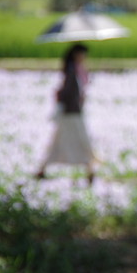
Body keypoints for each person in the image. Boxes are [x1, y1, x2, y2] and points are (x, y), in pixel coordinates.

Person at [36, 43, 96, 184]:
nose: (85, 57)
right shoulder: (71, 70)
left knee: (61, 141)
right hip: (71, 112)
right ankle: (90, 171)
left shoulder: (77, 69)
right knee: (80, 140)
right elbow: (67, 91)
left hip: (73, 111)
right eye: (83, 54)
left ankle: (42, 169)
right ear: (76, 54)